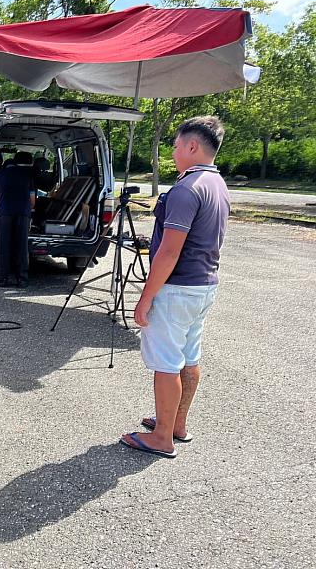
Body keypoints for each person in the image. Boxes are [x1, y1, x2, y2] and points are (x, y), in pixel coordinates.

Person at [121, 116, 230, 459]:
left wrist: (145, 297)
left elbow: (169, 251)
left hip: (178, 287)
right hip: (203, 286)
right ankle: (176, 424)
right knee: (188, 357)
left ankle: (162, 437)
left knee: (166, 362)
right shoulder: (218, 185)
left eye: (176, 144)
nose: (173, 150)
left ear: (192, 146)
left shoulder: (187, 189)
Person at [0, 151, 36, 288]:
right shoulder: (28, 176)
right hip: (23, 213)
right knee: (21, 246)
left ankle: (2, 279)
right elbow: (32, 201)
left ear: (4, 166)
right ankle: (22, 279)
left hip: (4, 213)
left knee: (3, 245)